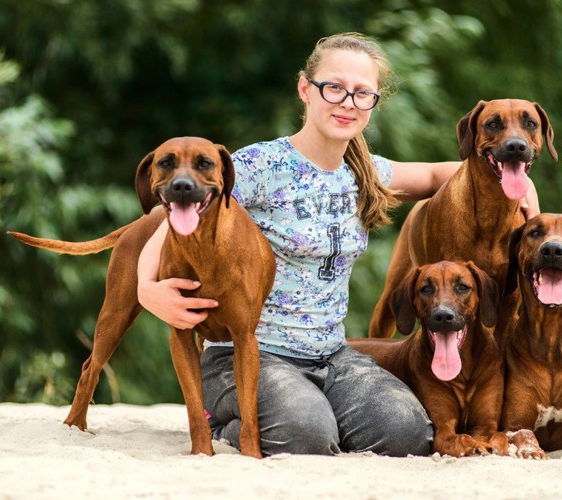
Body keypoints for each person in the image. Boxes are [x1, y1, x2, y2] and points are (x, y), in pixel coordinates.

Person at [137, 32, 539, 457]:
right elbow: (170, 216)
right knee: (305, 434)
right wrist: (147, 288)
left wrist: (518, 186)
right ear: (305, 89)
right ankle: (222, 418)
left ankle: (317, 408)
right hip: (247, 355)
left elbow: (443, 175)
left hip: (332, 354)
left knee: (406, 432)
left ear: (373, 103)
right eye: (334, 88)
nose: (348, 102)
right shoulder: (260, 166)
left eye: (362, 93)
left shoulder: (366, 172)